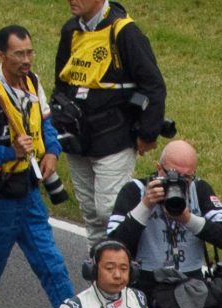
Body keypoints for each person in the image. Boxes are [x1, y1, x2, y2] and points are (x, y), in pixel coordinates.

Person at [0, 25, 74, 308]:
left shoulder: (32, 82)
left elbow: (46, 123)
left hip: (29, 192)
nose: (26, 60)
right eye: (19, 54)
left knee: (53, 266)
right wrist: (10, 152)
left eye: (29, 53)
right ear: (1, 56)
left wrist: (52, 152)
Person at [106, 138, 222, 308]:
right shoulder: (134, 191)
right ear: (159, 168)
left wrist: (188, 218)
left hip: (193, 291)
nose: (179, 183)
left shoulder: (200, 189)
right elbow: (113, 244)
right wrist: (145, 206)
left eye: (187, 177)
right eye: (173, 175)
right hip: (148, 289)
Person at [50, 0, 166, 224]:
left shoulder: (125, 32)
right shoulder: (70, 30)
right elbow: (61, 83)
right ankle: (100, 250)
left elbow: (153, 86)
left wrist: (147, 133)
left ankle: (129, 244)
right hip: (76, 138)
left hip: (114, 138)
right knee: (90, 212)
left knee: (109, 210)